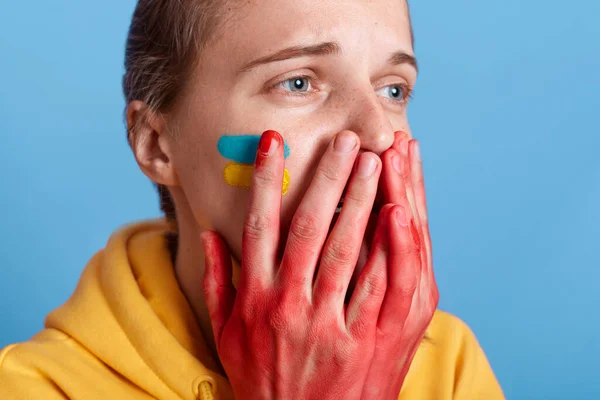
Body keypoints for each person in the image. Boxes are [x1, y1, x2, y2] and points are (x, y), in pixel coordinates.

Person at [0, 0, 505, 398]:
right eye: (298, 82)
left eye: (393, 90)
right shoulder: (31, 390)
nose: (377, 137)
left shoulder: (449, 367)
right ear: (157, 144)